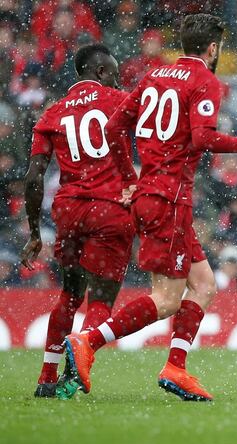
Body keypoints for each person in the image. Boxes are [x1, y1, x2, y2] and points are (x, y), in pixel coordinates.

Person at [59, 14, 237, 402]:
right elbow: (203, 138)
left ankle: (176, 367)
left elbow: (113, 128)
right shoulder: (205, 81)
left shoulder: (154, 75)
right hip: (170, 200)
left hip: (153, 195)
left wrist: (132, 178)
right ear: (213, 49)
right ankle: (88, 342)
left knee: (205, 285)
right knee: (166, 299)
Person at [19, 44, 135, 398]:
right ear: (100, 72)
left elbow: (34, 177)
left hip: (69, 211)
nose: (116, 78)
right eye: (113, 72)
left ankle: (45, 377)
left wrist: (35, 232)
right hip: (110, 209)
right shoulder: (119, 99)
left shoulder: (51, 115)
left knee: (70, 294)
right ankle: (74, 371)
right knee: (100, 299)